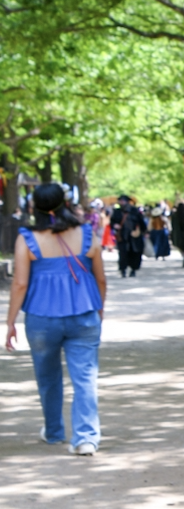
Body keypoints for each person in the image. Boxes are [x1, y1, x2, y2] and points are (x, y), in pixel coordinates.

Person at [4, 181, 107, 453]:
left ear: (34, 206)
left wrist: (10, 321)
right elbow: (101, 279)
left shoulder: (27, 238)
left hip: (41, 317)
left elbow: (20, 284)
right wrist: (100, 308)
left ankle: (53, 432)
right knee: (85, 377)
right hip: (84, 314)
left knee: (47, 376)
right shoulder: (87, 234)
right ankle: (85, 438)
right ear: (66, 203)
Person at [111, 194, 146, 279]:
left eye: (123, 200)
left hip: (134, 236)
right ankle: (123, 270)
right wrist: (115, 225)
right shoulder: (117, 212)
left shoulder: (135, 211)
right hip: (122, 236)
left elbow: (141, 222)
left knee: (135, 253)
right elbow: (112, 222)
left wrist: (144, 231)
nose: (121, 202)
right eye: (120, 201)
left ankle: (133, 270)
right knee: (123, 253)